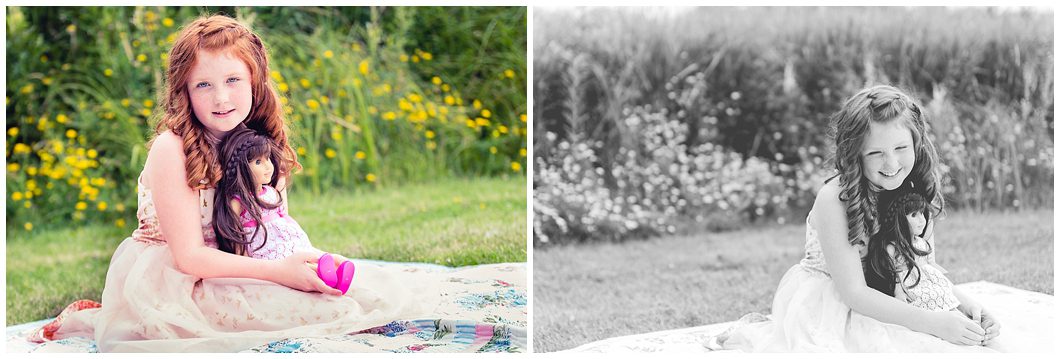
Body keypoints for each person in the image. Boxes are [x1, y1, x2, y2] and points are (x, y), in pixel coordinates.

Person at [47, 15, 441, 352]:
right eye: (203, 85)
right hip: (182, 280)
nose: (221, 98)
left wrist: (306, 261)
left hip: (243, 263)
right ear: (184, 91)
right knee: (328, 313)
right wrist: (282, 274)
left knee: (358, 294)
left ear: (255, 81)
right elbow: (190, 258)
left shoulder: (257, 143)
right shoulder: (172, 149)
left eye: (233, 79)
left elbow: (270, 230)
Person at [704, 85, 999, 352]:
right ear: (855, 153)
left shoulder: (914, 189)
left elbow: (922, 269)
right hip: (836, 303)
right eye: (875, 153)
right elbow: (854, 294)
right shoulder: (834, 200)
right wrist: (933, 323)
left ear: (917, 142)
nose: (891, 163)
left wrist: (965, 305)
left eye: (900, 148)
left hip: (893, 294)